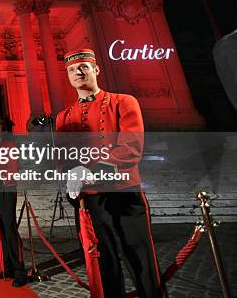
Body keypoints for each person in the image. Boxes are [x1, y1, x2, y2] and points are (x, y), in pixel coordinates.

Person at [56, 48, 165, 297]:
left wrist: (90, 169)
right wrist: (69, 177)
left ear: (96, 69)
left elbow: (131, 148)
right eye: (72, 69)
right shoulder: (63, 117)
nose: (78, 72)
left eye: (83, 67)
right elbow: (63, 158)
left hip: (124, 191)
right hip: (90, 198)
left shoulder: (124, 101)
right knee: (102, 259)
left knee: (139, 256)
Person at [0, 119, 27, 288]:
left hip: (8, 188)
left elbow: (12, 168)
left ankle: (20, 271)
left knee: (9, 228)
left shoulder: (11, 146)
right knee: (0, 229)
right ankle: (7, 267)